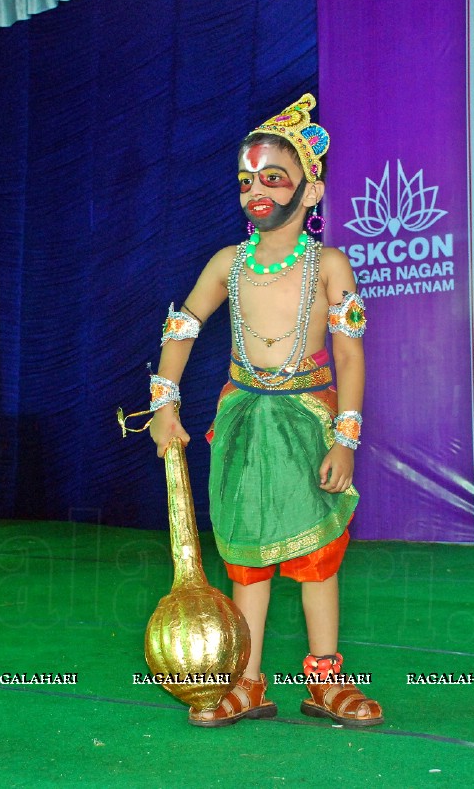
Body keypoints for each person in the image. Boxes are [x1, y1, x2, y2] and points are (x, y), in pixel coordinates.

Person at [146, 94, 382, 727]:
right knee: (246, 558)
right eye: (247, 179)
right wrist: (163, 402)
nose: (258, 189)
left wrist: (345, 439)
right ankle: (247, 682)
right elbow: (184, 323)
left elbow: (351, 358)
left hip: (308, 422)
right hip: (245, 423)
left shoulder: (330, 265)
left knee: (316, 556)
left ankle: (326, 680)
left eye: (274, 177)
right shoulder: (228, 263)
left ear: (312, 190)